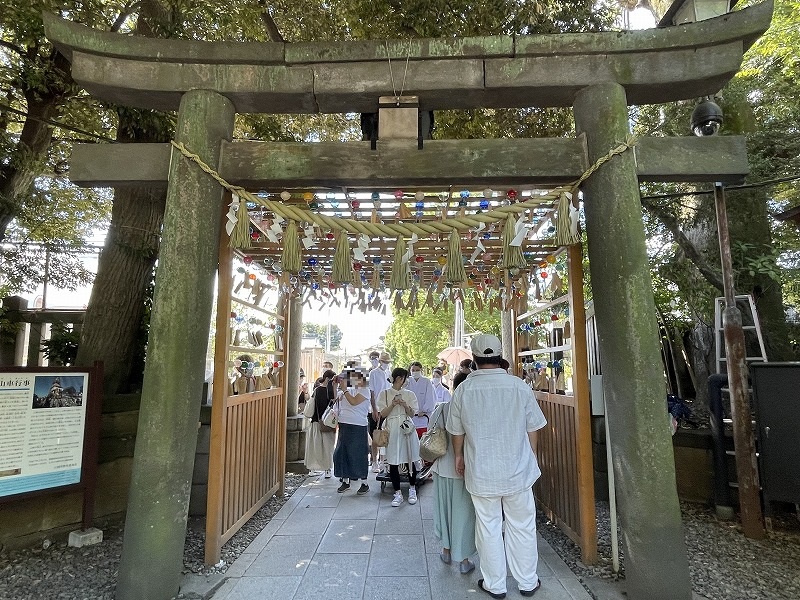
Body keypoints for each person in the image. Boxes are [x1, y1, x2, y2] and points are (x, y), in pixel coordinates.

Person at [448, 334, 547, 599]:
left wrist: (459, 456)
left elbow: (456, 431)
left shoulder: (464, 390)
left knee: (488, 526)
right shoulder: (518, 386)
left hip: (481, 470)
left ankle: (496, 585)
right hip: (517, 469)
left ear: (475, 358)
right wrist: (531, 455)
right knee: (523, 525)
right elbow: (533, 426)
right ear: (499, 356)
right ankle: (527, 582)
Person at [430, 372, 475, 574]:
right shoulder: (473, 409)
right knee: (464, 515)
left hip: (442, 469)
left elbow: (430, 434)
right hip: (466, 470)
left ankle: (446, 550)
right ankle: (464, 560)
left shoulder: (441, 409)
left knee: (445, 512)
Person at [376, 367, 421, 507]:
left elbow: (413, 413)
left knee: (411, 458)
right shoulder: (384, 393)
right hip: (392, 427)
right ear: (398, 378)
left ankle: (412, 488)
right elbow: (382, 413)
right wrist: (393, 404)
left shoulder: (409, 394)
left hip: (407, 427)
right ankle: (397, 492)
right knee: (393, 460)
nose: (405, 381)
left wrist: (405, 405)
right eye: (404, 378)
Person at [332, 369, 371, 494]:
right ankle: (345, 480)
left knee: (358, 454)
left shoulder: (364, 390)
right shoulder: (346, 390)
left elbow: (354, 402)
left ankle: (364, 482)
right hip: (344, 423)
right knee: (342, 453)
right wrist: (335, 385)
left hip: (358, 424)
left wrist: (344, 390)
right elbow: (335, 400)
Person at [303, 369, 337, 478]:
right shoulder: (332, 391)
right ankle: (327, 469)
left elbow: (310, 407)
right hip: (329, 423)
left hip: (316, 421)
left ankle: (312, 469)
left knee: (314, 447)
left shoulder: (317, 390)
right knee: (328, 448)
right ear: (329, 378)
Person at [368, 351, 392, 472]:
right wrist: (374, 409)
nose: (386, 364)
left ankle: (383, 461)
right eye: (384, 362)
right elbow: (372, 393)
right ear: (380, 361)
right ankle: (374, 461)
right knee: (375, 436)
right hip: (376, 408)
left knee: (385, 435)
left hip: (386, 408)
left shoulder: (389, 373)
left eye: (388, 362)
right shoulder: (373, 373)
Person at [407, 361, 436, 437]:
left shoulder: (426, 381)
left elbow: (430, 397)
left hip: (423, 416)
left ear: (421, 370)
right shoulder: (407, 381)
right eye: (413, 370)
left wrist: (424, 410)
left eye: (417, 370)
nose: (415, 372)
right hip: (410, 416)